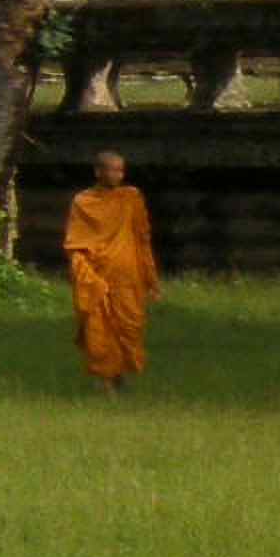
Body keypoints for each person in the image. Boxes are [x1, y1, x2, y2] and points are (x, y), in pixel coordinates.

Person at [65, 151, 158, 392]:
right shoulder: (83, 202)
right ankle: (104, 380)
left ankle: (119, 376)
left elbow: (142, 238)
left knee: (129, 328)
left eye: (121, 170)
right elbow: (76, 242)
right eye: (112, 169)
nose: (118, 174)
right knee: (99, 328)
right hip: (97, 275)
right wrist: (83, 273)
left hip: (128, 274)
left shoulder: (131, 198)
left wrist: (151, 278)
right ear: (98, 171)